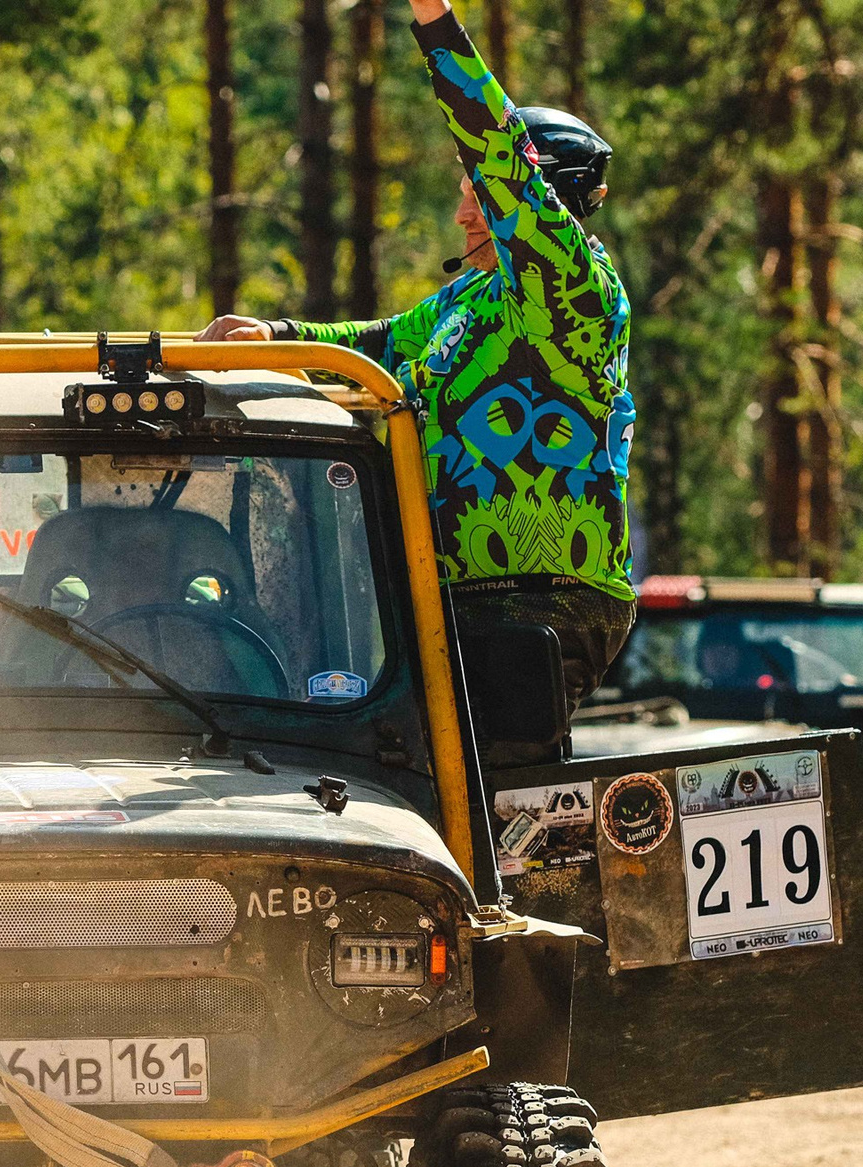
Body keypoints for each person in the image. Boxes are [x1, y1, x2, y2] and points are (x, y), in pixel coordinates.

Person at [200, 0, 634, 719]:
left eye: (477, 198)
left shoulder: (572, 289)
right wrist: (278, 334)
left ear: (529, 203)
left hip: (537, 600)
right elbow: (379, 341)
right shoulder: (472, 299)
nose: (465, 214)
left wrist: (435, 22)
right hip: (457, 597)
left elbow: (499, 152)